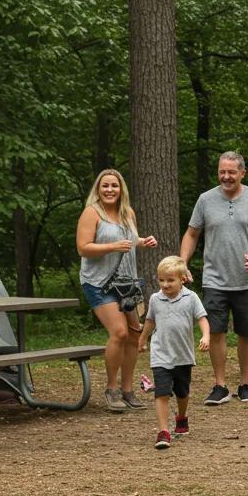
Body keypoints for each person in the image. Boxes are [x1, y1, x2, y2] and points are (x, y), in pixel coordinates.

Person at [180, 151, 248, 405]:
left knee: (247, 333)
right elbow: (191, 234)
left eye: (231, 172)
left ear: (242, 173)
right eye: (222, 171)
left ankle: (244, 384)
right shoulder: (205, 200)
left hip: (247, 280)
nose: (226, 176)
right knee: (216, 332)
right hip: (215, 279)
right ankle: (220, 386)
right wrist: (182, 263)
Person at [76, 168, 158, 412]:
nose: (110, 190)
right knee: (120, 332)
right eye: (105, 186)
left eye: (114, 186)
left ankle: (128, 390)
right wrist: (112, 246)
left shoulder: (127, 213)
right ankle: (111, 390)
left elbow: (130, 242)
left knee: (135, 335)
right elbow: (83, 248)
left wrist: (142, 242)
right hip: (98, 283)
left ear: (121, 189)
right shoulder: (92, 213)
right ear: (98, 190)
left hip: (126, 283)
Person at [138, 256, 210, 450]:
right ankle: (163, 431)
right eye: (161, 280)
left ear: (182, 279)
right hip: (160, 354)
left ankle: (182, 416)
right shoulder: (155, 299)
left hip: (182, 355)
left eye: (170, 280)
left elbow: (202, 319)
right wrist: (143, 338)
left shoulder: (191, 298)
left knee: (182, 392)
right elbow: (150, 321)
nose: (165, 284)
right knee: (162, 393)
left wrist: (206, 336)